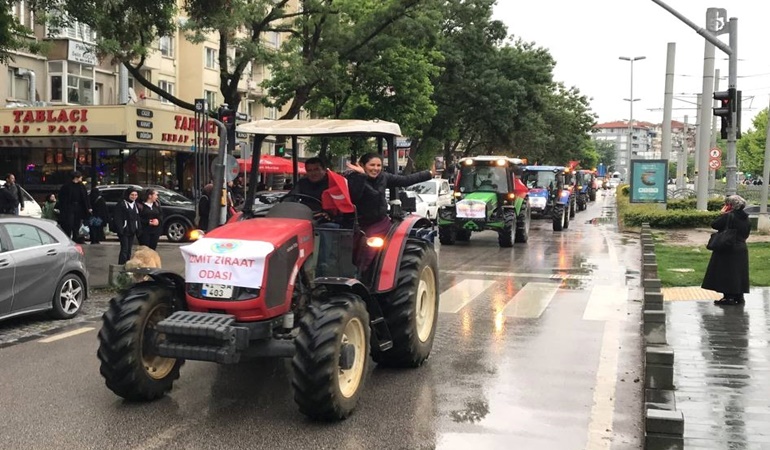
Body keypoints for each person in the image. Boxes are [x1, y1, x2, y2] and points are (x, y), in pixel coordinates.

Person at [346, 152, 433, 271]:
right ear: (362, 165)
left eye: (378, 165)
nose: (376, 169)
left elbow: (405, 180)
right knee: (345, 246)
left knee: (369, 247)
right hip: (356, 222)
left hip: (378, 221)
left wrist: (428, 174)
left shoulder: (383, 177)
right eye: (372, 165)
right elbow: (354, 196)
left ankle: (361, 275)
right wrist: (361, 177)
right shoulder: (353, 178)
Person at [702, 195, 751, 306]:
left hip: (728, 247)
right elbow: (746, 233)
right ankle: (739, 297)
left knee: (727, 272)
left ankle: (728, 297)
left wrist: (722, 214)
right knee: (739, 273)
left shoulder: (729, 216)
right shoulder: (746, 218)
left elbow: (714, 225)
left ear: (730, 206)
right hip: (742, 248)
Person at [57, 171, 91, 243]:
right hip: (69, 207)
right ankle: (68, 237)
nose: (81, 178)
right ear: (76, 177)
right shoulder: (67, 186)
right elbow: (62, 198)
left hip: (78, 207)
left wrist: (88, 207)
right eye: (80, 177)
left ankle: (76, 238)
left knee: (77, 223)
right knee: (69, 223)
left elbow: (85, 198)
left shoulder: (81, 186)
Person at [113, 187, 141, 265]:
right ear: (128, 195)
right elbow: (117, 217)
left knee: (129, 250)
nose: (134, 197)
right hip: (124, 231)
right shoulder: (122, 204)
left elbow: (137, 217)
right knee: (124, 249)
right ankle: (121, 266)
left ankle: (127, 265)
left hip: (132, 230)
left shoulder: (135, 204)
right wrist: (120, 229)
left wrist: (138, 229)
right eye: (132, 195)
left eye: (136, 195)